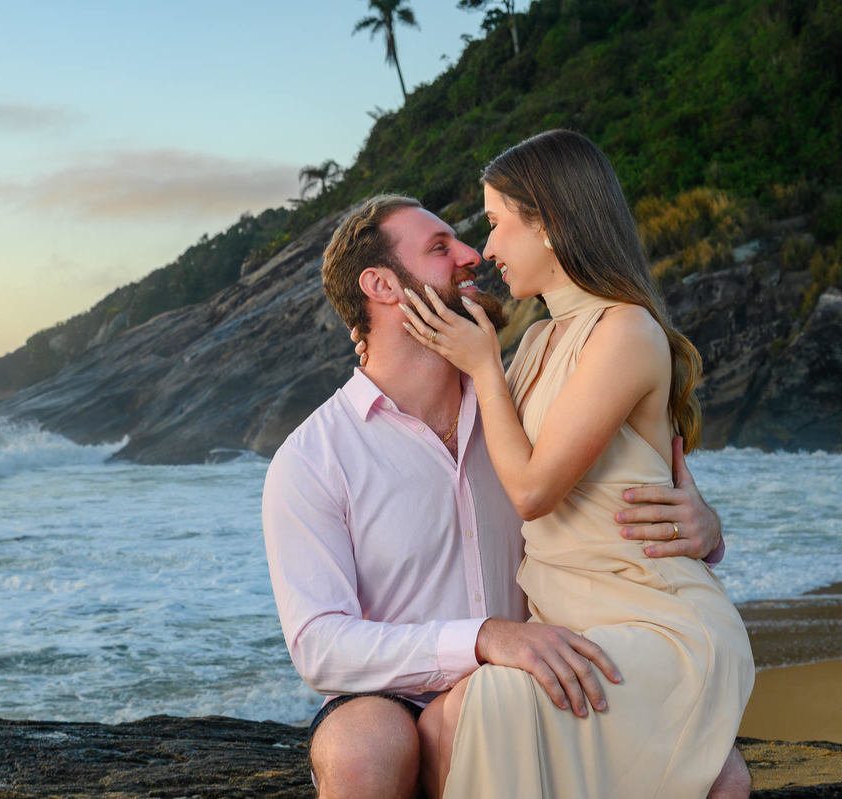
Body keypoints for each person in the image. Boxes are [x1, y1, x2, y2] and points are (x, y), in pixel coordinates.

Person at [262, 192, 749, 798]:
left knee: (722, 777)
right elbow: (320, 646)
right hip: (397, 691)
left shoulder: (520, 404)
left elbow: (616, 500)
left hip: (539, 671)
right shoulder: (313, 457)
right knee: (363, 750)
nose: (473, 256)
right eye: (441, 249)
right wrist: (482, 637)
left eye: (468, 238)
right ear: (381, 286)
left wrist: (705, 528)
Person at [397, 130, 754, 798]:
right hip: (567, 620)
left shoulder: (625, 330)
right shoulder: (533, 342)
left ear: (551, 224)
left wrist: (481, 365)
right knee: (463, 715)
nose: (491, 247)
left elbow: (533, 490)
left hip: (652, 618)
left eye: (500, 224)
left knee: (494, 703)